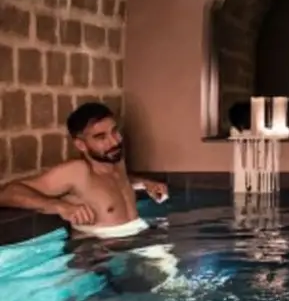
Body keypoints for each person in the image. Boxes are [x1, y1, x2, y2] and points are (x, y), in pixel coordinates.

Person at [0, 101, 168, 238]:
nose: (114, 141)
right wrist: (59, 206)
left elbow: (112, 180)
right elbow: (7, 193)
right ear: (81, 144)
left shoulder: (114, 159)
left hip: (136, 236)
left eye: (114, 131)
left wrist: (145, 183)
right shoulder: (76, 172)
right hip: (99, 254)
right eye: (101, 137)